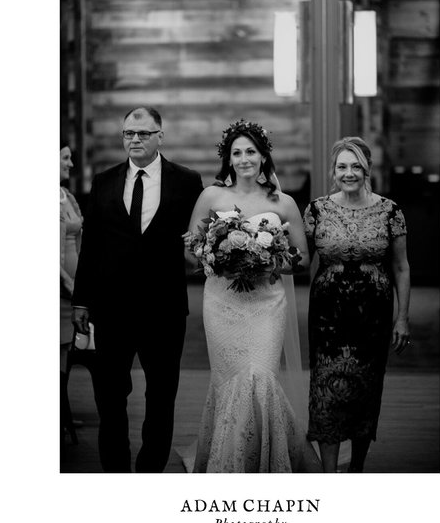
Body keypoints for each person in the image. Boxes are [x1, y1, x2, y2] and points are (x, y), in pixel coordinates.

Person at [71, 107, 203, 472]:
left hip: (164, 309)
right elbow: (92, 246)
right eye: (129, 133)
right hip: (110, 308)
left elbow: (200, 237)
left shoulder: (187, 181)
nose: (135, 140)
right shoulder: (104, 181)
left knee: (161, 397)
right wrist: (81, 301)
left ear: (161, 136)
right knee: (110, 398)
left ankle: (149, 472)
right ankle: (116, 473)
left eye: (143, 133)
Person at [186, 119, 317, 472]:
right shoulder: (211, 196)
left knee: (259, 376)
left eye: (251, 152)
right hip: (222, 302)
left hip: (266, 303)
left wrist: (269, 259)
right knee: (230, 378)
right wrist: (218, 257)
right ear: (228, 160)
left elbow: (302, 259)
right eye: (237, 153)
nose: (244, 159)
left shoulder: (283, 202)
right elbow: (190, 250)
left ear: (263, 158)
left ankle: (266, 460)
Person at [302, 136, 412, 472]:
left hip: (372, 316)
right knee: (326, 393)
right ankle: (329, 474)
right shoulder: (317, 210)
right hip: (327, 317)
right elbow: (298, 259)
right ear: (333, 171)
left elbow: (400, 267)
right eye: (342, 167)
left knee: (365, 392)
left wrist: (402, 318)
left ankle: (356, 470)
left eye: (355, 166)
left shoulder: (389, 210)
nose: (349, 173)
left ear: (367, 169)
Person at [60, 141, 83, 348]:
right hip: (61, 289)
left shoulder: (67, 197)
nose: (71, 164)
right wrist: (68, 283)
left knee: (66, 350)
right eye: (65, 158)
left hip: (73, 294)